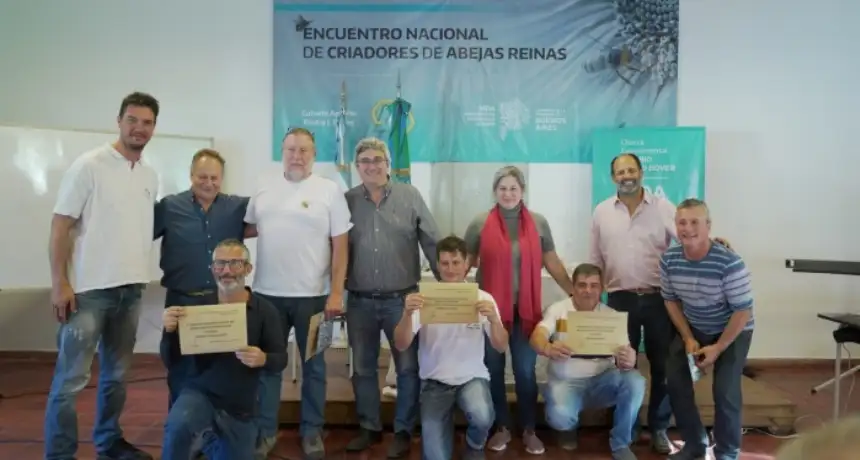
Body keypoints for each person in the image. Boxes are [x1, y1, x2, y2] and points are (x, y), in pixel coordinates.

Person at [44, 92, 160, 460]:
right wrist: (60, 283)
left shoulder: (150, 175)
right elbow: (60, 226)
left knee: (117, 377)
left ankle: (109, 442)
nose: (139, 128)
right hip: (89, 293)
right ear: (119, 121)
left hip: (131, 290)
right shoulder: (89, 165)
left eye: (147, 122)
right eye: (132, 120)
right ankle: (59, 455)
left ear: (154, 127)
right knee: (71, 381)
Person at [590, 152, 732, 453]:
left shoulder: (663, 207)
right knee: (622, 364)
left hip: (660, 299)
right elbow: (595, 258)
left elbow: (687, 237)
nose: (626, 176)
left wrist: (713, 243)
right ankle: (625, 427)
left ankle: (658, 427)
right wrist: (590, 301)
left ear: (641, 172)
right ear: (613, 177)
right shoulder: (601, 212)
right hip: (619, 299)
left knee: (663, 367)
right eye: (620, 172)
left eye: (631, 170)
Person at [246, 127, 352, 460]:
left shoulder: (330, 191)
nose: (297, 156)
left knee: (315, 368)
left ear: (314, 154)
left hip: (316, 298)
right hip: (266, 297)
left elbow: (341, 247)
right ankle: (265, 432)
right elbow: (247, 229)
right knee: (268, 367)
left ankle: (312, 431)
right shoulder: (263, 187)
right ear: (282, 151)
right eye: (291, 149)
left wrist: (336, 293)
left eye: (304, 150)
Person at [463, 165, 575, 455]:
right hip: (490, 313)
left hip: (526, 312)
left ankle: (528, 429)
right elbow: (465, 262)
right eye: (502, 188)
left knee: (525, 371)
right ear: (495, 191)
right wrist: (447, 294)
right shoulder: (479, 223)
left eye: (513, 188)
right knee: (493, 369)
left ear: (522, 191)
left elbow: (551, 261)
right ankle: (502, 426)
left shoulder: (538, 223)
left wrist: (573, 292)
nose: (508, 194)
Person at [343, 137, 440, 458]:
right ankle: (369, 427)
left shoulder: (410, 196)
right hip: (359, 301)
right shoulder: (346, 201)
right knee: (362, 368)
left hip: (403, 301)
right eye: (365, 161)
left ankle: (403, 431)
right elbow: (334, 248)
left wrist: (449, 287)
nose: (371, 166)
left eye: (377, 160)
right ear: (357, 167)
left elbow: (432, 241)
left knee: (407, 368)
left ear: (388, 164)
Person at [160, 239, 287, 460]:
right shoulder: (197, 309)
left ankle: (208, 440)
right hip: (199, 394)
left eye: (235, 263)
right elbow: (171, 360)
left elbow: (281, 359)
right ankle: (205, 436)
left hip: (240, 405)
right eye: (220, 264)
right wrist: (169, 332)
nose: (226, 271)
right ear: (212, 269)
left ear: (248, 268)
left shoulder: (265, 311)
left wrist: (264, 358)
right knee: (177, 426)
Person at [392, 235, 508, 460]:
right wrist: (406, 314)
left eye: (456, 263)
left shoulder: (483, 298)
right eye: (445, 263)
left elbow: (501, 346)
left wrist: (494, 320)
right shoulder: (423, 299)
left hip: (471, 377)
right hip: (434, 381)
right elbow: (401, 343)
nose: (451, 269)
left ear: (466, 264)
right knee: (434, 457)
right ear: (437, 265)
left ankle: (474, 445)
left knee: (483, 416)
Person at [154, 148, 250, 408]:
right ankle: (181, 427)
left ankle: (216, 427)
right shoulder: (169, 206)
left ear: (222, 179)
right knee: (180, 370)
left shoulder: (237, 207)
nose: (209, 183)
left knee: (222, 371)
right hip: (181, 302)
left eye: (214, 178)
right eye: (202, 177)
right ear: (191, 175)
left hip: (222, 303)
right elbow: (137, 234)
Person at [660, 199, 754, 460]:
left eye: (695, 222)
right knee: (675, 381)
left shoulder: (730, 263)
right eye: (682, 222)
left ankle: (727, 452)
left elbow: (743, 311)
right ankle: (694, 444)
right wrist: (688, 337)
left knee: (725, 391)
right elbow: (670, 300)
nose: (687, 228)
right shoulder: (669, 260)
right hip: (695, 325)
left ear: (708, 226)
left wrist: (719, 347)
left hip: (733, 329)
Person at [531, 263, 643, 460]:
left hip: (602, 381)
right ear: (573, 287)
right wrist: (547, 348)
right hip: (565, 382)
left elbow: (624, 357)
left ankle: (620, 443)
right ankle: (569, 427)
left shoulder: (611, 317)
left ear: (602, 289)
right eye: (582, 285)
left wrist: (630, 358)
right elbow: (537, 336)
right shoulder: (558, 310)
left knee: (636, 381)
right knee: (560, 418)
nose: (588, 291)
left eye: (593, 285)